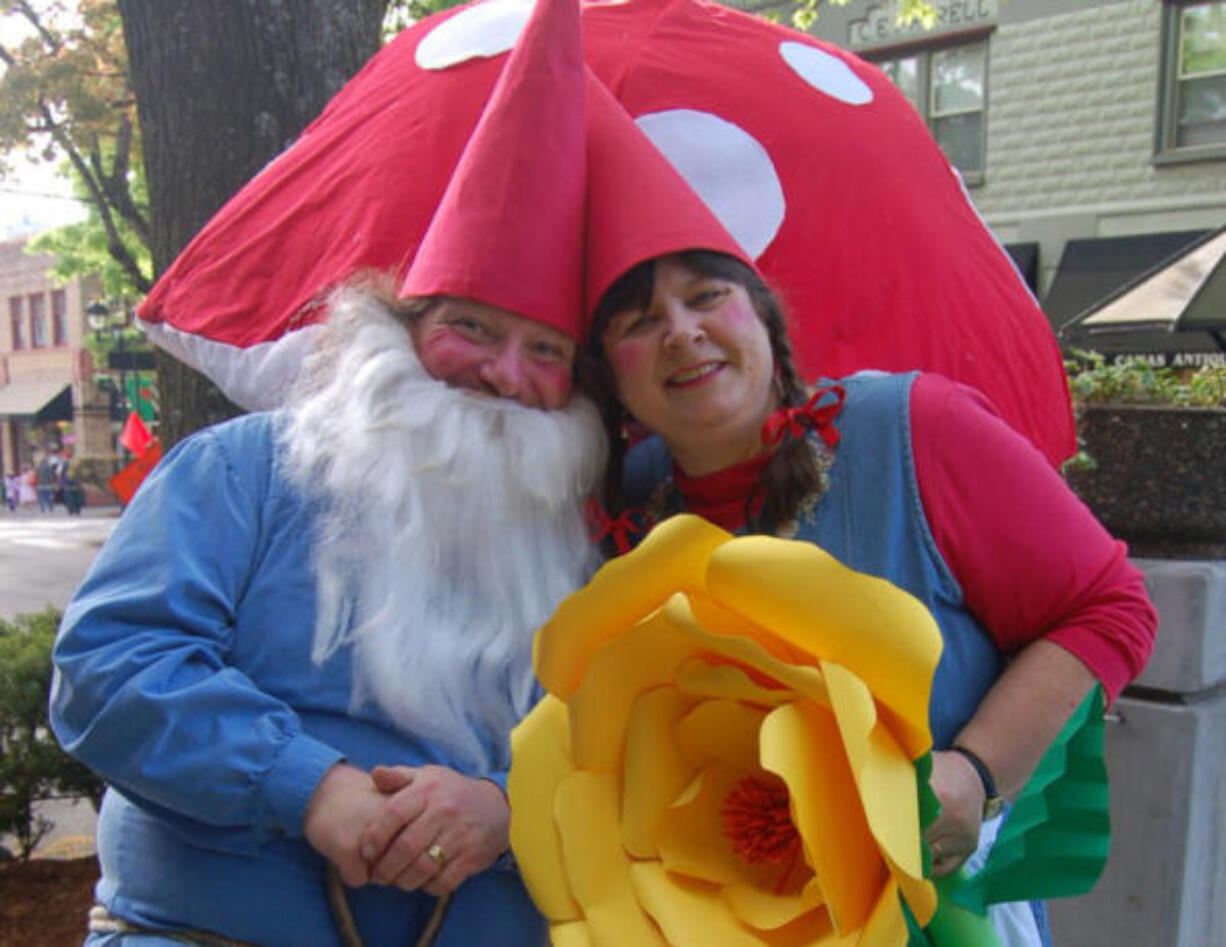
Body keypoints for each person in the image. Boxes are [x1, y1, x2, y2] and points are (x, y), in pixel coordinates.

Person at [49, 0, 604, 941]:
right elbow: (108, 667)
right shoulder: (245, 470)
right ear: (400, 331)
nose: (503, 374)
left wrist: (509, 810)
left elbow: (629, 755)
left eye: (544, 348)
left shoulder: (595, 544)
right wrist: (308, 785)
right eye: (469, 327)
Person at [582, 249, 1158, 947]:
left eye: (706, 295)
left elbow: (1109, 606)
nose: (680, 331)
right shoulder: (620, 511)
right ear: (609, 376)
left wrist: (975, 771)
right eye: (640, 320)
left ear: (764, 315)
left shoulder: (913, 427)